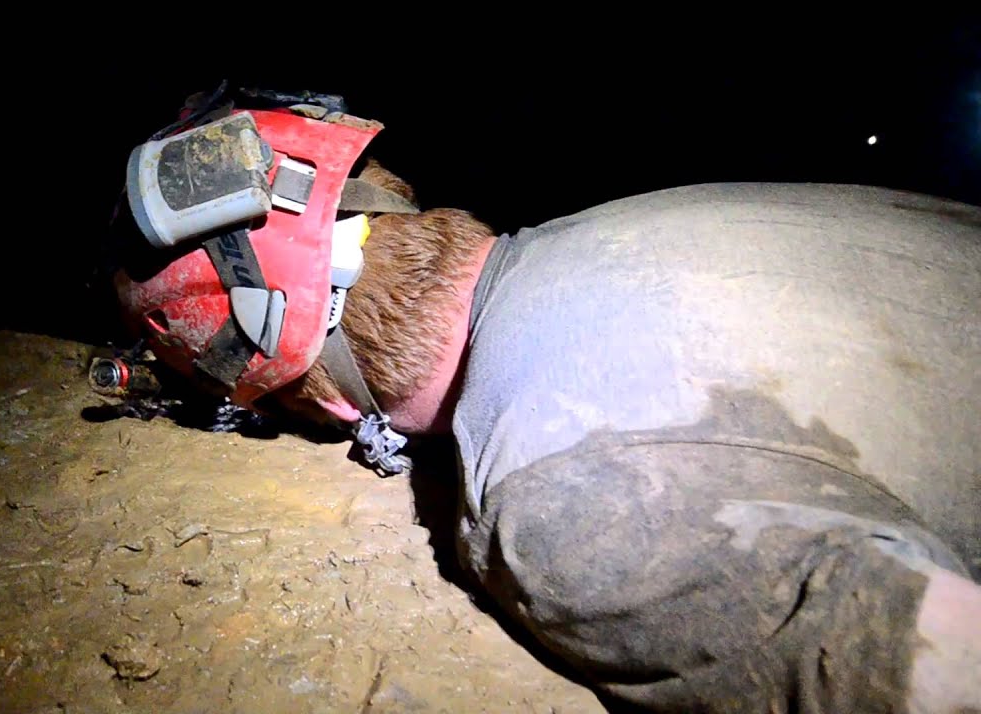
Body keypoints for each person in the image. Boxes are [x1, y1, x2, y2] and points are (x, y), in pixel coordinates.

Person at [111, 86, 981, 713]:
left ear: (310, 393)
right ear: (394, 200)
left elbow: (947, 667)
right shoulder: (638, 222)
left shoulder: (560, 495)